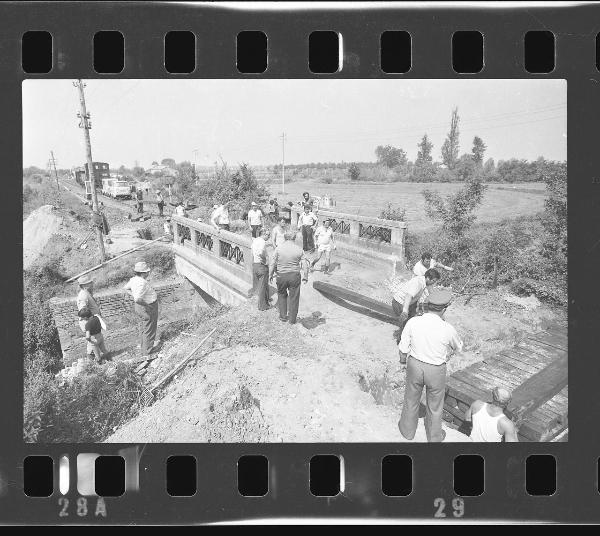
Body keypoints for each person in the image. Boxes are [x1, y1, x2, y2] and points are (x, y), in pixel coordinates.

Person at [398, 289, 463, 443]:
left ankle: (407, 432)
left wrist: (402, 361)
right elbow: (458, 347)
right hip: (436, 369)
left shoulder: (413, 322)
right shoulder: (447, 328)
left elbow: (403, 347)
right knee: (435, 405)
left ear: (428, 306)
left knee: (411, 399)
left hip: (415, 365)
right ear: (444, 309)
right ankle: (434, 437)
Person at [388, 268, 441, 361]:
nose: (434, 283)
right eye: (433, 281)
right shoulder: (418, 283)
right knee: (406, 325)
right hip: (400, 303)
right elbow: (408, 296)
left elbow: (431, 291)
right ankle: (401, 344)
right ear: (428, 278)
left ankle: (409, 338)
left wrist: (440, 297)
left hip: (411, 303)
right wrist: (405, 311)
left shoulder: (425, 281)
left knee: (415, 319)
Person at [269, 230, 310, 324]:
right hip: (294, 276)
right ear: (294, 238)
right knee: (294, 297)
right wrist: (306, 276)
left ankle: (283, 317)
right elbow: (305, 264)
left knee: (281, 294)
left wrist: (270, 275)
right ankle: (292, 320)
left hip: (281, 275)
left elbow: (272, 263)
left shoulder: (278, 249)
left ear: (284, 238)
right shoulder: (299, 249)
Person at [124, 261, 160, 358]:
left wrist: (134, 295)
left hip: (139, 307)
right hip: (146, 307)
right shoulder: (142, 283)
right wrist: (147, 306)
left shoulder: (134, 280)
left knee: (144, 329)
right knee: (149, 329)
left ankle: (145, 349)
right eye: (147, 272)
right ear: (143, 273)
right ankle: (148, 352)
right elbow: (138, 299)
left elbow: (126, 288)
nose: (148, 273)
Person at [251, 228, 271, 310]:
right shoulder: (262, 242)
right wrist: (265, 260)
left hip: (255, 264)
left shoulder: (255, 240)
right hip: (261, 265)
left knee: (263, 285)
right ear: (263, 234)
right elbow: (260, 252)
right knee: (263, 286)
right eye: (268, 235)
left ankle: (266, 303)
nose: (269, 237)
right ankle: (262, 306)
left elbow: (252, 252)